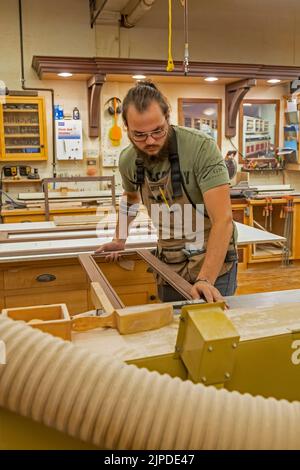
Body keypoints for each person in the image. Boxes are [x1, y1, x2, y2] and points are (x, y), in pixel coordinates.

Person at [96, 81, 238, 303]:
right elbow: (130, 199)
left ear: (168, 118)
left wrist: (206, 280)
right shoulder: (129, 160)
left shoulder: (201, 148)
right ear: (126, 127)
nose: (150, 141)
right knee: (172, 328)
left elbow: (223, 220)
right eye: (139, 135)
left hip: (212, 264)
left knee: (213, 328)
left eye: (158, 131)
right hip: (170, 262)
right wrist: (119, 238)